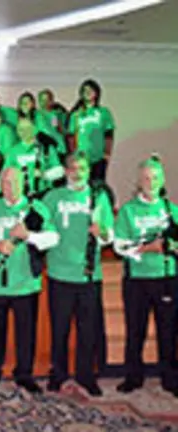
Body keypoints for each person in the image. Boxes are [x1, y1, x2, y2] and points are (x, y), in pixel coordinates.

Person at [0, 167, 59, 394]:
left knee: (26, 333)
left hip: (25, 283)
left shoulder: (36, 209)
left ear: (24, 183)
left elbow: (52, 238)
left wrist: (28, 236)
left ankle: (24, 375)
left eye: (13, 182)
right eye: (4, 183)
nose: (8, 188)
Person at [42, 152, 114, 396]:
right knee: (59, 329)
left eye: (82, 168)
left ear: (88, 171)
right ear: (66, 171)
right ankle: (58, 375)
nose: (78, 172)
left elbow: (109, 236)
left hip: (88, 275)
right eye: (73, 168)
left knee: (88, 330)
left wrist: (102, 231)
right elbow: (42, 229)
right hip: (59, 273)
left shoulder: (98, 196)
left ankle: (86, 376)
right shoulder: (52, 197)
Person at [113, 156, 178, 397]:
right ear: (139, 182)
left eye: (156, 178)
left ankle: (170, 378)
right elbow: (119, 245)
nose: (151, 182)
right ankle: (133, 377)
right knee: (135, 330)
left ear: (162, 181)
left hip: (167, 277)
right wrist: (146, 248)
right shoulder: (129, 211)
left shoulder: (171, 209)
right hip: (137, 279)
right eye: (147, 178)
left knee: (168, 331)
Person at [68, 79, 115, 182]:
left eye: (90, 90)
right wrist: (73, 154)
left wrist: (106, 154)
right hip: (81, 158)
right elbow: (71, 136)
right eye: (85, 91)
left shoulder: (103, 112)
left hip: (98, 157)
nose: (88, 93)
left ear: (96, 93)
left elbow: (109, 134)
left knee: (98, 184)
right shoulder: (75, 115)